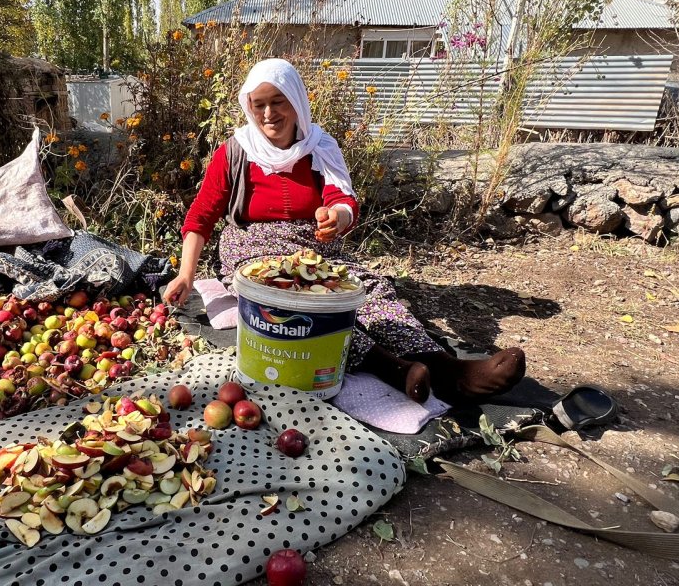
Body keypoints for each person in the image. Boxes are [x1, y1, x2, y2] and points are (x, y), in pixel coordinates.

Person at [163, 58, 525, 405]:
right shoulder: (235, 152)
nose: (268, 114)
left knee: (367, 291)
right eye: (259, 105)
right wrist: (185, 275)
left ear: (297, 103)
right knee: (306, 309)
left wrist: (336, 216)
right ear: (249, 106)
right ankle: (394, 370)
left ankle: (448, 370)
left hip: (313, 250)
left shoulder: (320, 147)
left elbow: (344, 200)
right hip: (254, 251)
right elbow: (201, 216)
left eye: (278, 102)